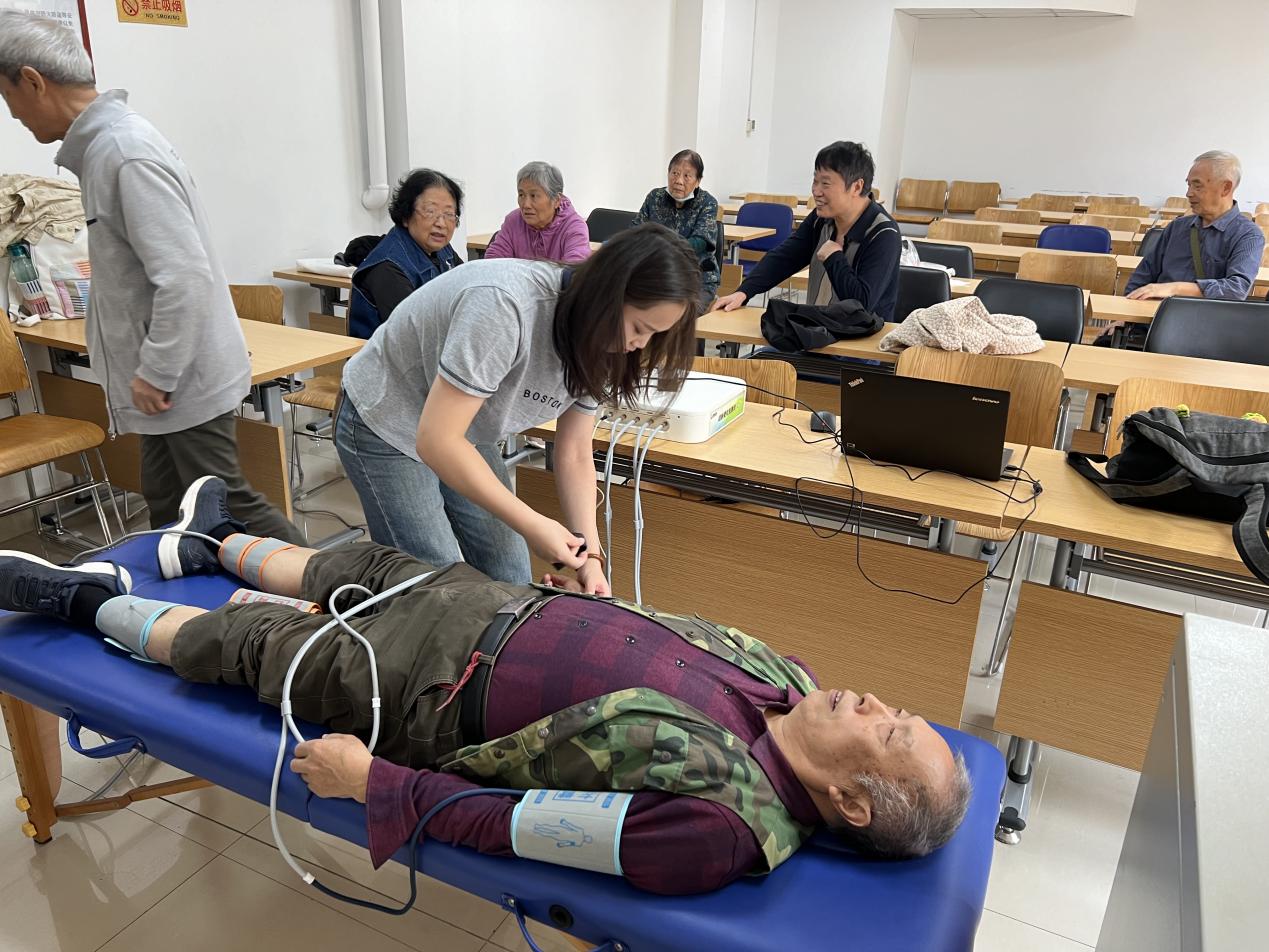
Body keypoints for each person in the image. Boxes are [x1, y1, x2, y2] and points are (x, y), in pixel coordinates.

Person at [0, 475, 973, 896]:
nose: (874, 703)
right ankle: (208, 540)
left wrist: (374, 784)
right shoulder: (791, 682)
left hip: (425, 694)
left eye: (888, 732)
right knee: (354, 563)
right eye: (898, 709)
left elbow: (524, 824)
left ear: (850, 802)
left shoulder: (723, 828)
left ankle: (82, 603)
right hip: (493, 605)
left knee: (251, 645)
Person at [0, 12, 304, 544]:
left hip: (180, 376)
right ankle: (193, 592)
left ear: (32, 82)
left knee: (229, 508)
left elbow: (184, 277)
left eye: (8, 97)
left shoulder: (123, 153)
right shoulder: (105, 149)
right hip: (167, 378)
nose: (12, 113)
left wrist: (158, 370)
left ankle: (342, 588)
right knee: (168, 508)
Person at [335, 224, 700, 589]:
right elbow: (437, 441)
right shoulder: (505, 306)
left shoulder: (606, 344)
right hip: (388, 415)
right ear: (606, 294)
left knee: (509, 570)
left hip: (460, 423)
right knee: (437, 588)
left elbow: (574, 452)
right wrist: (532, 524)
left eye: (655, 334)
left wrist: (591, 558)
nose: (641, 344)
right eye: (639, 327)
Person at [713, 141, 902, 321]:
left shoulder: (884, 234)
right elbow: (785, 257)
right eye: (815, 181)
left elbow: (862, 304)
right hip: (819, 330)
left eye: (825, 184)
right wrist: (744, 292)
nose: (816, 191)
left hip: (863, 340)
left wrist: (834, 258)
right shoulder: (821, 219)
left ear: (856, 187)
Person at [1095, 151, 1266, 347]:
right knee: (1104, 345)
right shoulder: (1177, 227)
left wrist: (1174, 288)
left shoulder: (1248, 235)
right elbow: (1144, 274)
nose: (1189, 193)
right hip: (1152, 323)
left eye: (1197, 185)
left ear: (1226, 187)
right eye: (1188, 184)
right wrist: (1125, 316)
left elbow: (1236, 289)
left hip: (1206, 332)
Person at [348, 168, 464, 339]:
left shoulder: (442, 250)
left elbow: (470, 291)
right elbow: (415, 334)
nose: (441, 223)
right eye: (430, 212)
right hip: (392, 354)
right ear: (405, 216)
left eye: (449, 214)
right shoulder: (388, 268)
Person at [633, 149, 720, 303]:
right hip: (655, 276)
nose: (679, 181)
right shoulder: (655, 197)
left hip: (696, 279)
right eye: (675, 173)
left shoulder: (707, 203)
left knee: (679, 312)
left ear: (698, 181)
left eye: (687, 176)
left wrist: (659, 248)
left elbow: (700, 241)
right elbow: (636, 231)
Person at [484, 161, 591, 263]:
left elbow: (573, 270)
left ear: (556, 200)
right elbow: (492, 264)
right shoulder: (513, 221)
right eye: (521, 195)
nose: (526, 205)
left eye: (533, 196)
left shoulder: (573, 227)